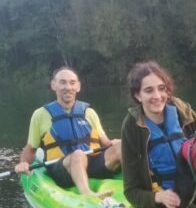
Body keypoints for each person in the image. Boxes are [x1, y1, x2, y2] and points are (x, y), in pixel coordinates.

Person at [15, 67, 121, 195]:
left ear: (78, 86)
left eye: (72, 83)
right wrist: (23, 163)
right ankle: (87, 194)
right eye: (63, 82)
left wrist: (116, 143)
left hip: (93, 165)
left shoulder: (89, 112)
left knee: (122, 146)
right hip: (63, 168)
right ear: (54, 85)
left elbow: (105, 143)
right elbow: (31, 149)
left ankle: (146, 184)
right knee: (78, 155)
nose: (68, 87)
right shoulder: (40, 115)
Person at [121, 61, 196, 208]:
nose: (157, 96)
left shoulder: (183, 112)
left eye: (161, 88)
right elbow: (131, 191)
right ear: (138, 95)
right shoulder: (131, 127)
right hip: (166, 203)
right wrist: (159, 198)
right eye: (148, 90)